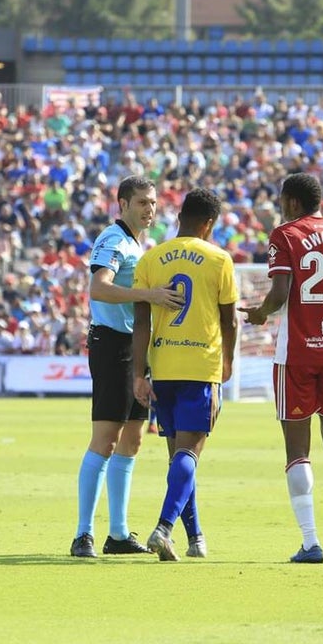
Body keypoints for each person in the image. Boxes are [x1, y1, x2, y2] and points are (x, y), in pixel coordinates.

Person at [238, 173, 323, 565]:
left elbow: (280, 293)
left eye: (282, 202)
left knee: (298, 451)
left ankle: (311, 542)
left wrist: (259, 313)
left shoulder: (285, 235)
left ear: (292, 202)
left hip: (296, 355)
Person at [70, 176, 185, 559]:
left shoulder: (137, 244)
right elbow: (98, 287)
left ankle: (117, 533)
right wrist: (148, 295)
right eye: (141, 202)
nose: (149, 209)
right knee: (105, 438)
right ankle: (83, 533)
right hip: (111, 344)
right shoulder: (113, 239)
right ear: (122, 204)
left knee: (132, 440)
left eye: (152, 202)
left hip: (135, 346)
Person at [131, 188, 239, 561]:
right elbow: (229, 320)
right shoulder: (219, 259)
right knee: (189, 453)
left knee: (179, 458)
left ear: (179, 218)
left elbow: (141, 321)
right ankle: (164, 528)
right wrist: (228, 361)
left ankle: (195, 538)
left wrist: (139, 373)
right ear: (209, 223)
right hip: (200, 366)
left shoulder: (151, 258)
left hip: (163, 366)